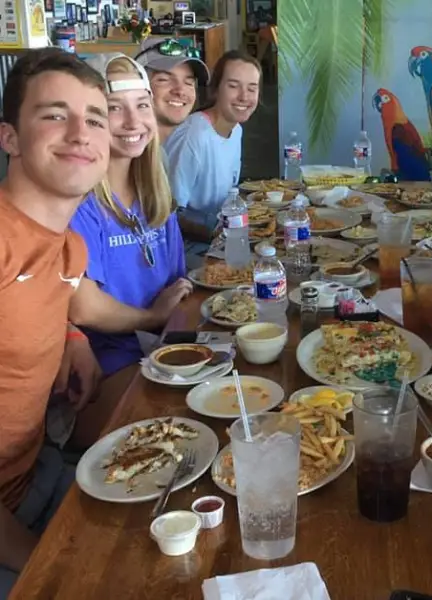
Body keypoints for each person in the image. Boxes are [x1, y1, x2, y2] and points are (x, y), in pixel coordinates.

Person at [0, 49, 189, 598]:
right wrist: (46, 563)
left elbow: (50, 301)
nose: (82, 133)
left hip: (47, 478)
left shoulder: (68, 248)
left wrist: (71, 334)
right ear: (9, 137)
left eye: (95, 118)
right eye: (55, 114)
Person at [68, 53, 191, 445]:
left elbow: (178, 284)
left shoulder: (154, 194)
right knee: (180, 429)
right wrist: (151, 316)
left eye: (142, 106)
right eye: (114, 110)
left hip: (160, 347)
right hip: (107, 363)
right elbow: (82, 306)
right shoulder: (81, 202)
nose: (134, 122)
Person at [162, 50, 262, 269]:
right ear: (215, 89)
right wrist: (218, 233)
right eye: (233, 86)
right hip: (187, 251)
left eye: (252, 88)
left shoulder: (236, 130)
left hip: (220, 239)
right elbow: (167, 215)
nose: (244, 97)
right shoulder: (194, 134)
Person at [134, 37, 209, 142]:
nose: (180, 91)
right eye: (164, 80)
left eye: (188, 82)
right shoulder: (123, 154)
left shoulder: (198, 143)